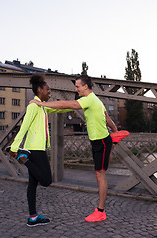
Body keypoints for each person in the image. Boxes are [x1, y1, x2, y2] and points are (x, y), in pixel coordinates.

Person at [30, 74, 118, 222]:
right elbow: (107, 117)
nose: (76, 89)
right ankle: (114, 138)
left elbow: (66, 105)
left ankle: (101, 211)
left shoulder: (89, 99)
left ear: (85, 86)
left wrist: (43, 104)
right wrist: (115, 131)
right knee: (99, 173)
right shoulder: (96, 100)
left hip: (102, 142)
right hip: (100, 141)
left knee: (100, 175)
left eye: (77, 86)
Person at [8, 74, 70, 227]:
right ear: (40, 89)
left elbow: (58, 109)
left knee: (32, 184)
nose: (50, 92)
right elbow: (24, 127)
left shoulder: (42, 107)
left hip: (35, 148)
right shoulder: (33, 106)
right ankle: (23, 159)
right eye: (48, 90)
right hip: (34, 150)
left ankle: (33, 217)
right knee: (47, 180)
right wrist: (15, 147)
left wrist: (76, 104)